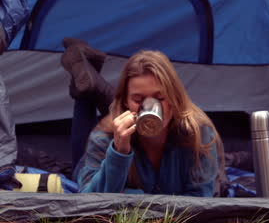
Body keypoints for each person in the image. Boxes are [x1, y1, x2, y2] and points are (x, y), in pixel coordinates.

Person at [60, 38, 226, 196]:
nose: (150, 108)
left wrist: (133, 196)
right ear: (125, 101)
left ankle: (91, 81)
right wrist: (119, 152)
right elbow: (88, 200)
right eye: (138, 100)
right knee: (78, 164)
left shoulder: (199, 134)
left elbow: (201, 202)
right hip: (111, 141)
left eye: (159, 98)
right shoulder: (104, 138)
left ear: (175, 97)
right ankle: (88, 85)